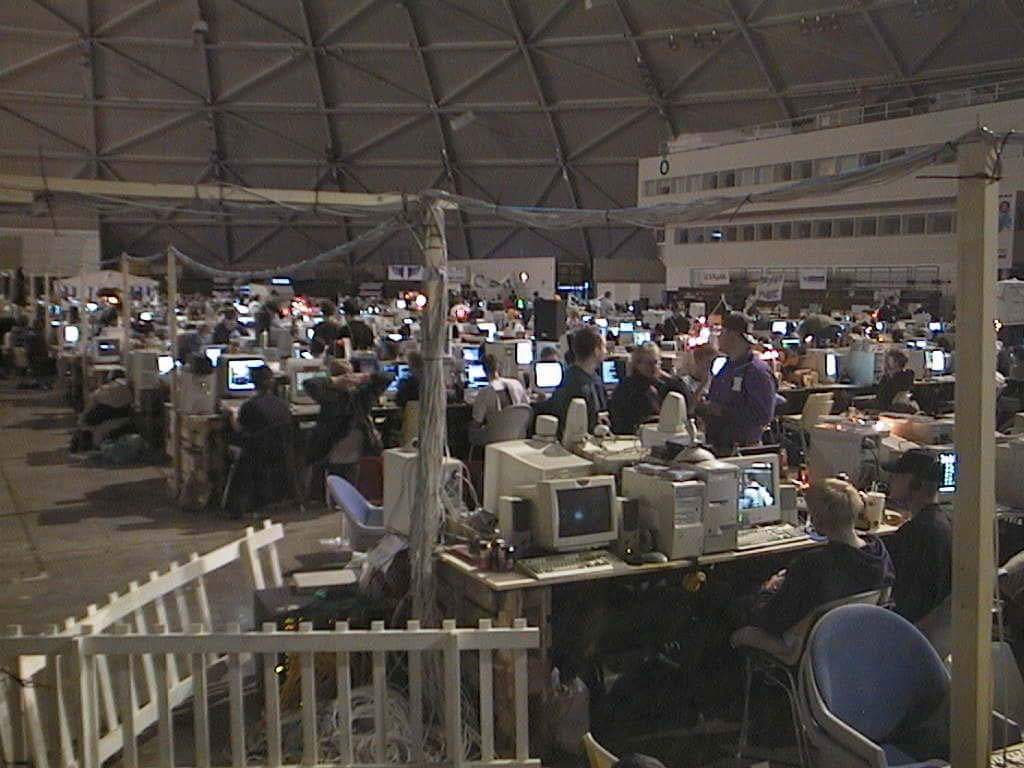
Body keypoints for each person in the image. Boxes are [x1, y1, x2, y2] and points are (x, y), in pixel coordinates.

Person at [734, 478, 895, 638]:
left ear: (818, 522)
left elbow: (772, 620)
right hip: (857, 636)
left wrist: (767, 589)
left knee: (730, 599)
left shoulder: (811, 564)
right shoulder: (878, 551)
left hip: (805, 641)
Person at [883, 449, 952, 623]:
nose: (890, 480)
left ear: (914, 483)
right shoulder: (943, 523)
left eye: (896, 476)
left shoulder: (915, 533)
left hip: (909, 627)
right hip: (935, 626)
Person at [303, 358, 388, 489]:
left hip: (330, 449)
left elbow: (309, 383)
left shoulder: (330, 396)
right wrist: (364, 377)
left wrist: (335, 381)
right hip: (357, 452)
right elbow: (386, 377)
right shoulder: (362, 395)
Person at [699, 313, 776, 456]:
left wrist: (723, 411)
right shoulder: (727, 366)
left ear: (732, 335)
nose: (718, 337)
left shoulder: (756, 371)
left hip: (741, 450)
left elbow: (763, 415)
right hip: (718, 444)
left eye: (721, 332)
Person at [232, 366, 295, 515]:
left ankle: (233, 501)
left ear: (253, 382)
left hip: (256, 453)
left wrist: (231, 418)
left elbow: (240, 429)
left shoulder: (249, 406)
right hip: (281, 452)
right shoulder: (283, 405)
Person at [537, 326, 607, 435]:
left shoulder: (588, 378)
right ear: (596, 351)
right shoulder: (577, 384)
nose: (606, 351)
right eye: (604, 347)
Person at [608, 343, 690, 435]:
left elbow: (687, 403)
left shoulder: (661, 385)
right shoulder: (627, 388)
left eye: (656, 363)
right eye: (649, 363)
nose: (654, 367)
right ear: (637, 364)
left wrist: (667, 377)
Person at [70, 369, 134, 452]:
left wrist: (81, 420)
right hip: (124, 418)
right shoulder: (127, 388)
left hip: (107, 419)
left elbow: (90, 406)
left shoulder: (103, 390)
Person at [471, 353, 529, 430]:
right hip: (518, 433)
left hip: (495, 434)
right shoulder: (516, 383)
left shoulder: (484, 392)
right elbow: (526, 407)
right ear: (498, 367)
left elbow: (477, 422)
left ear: (483, 370)